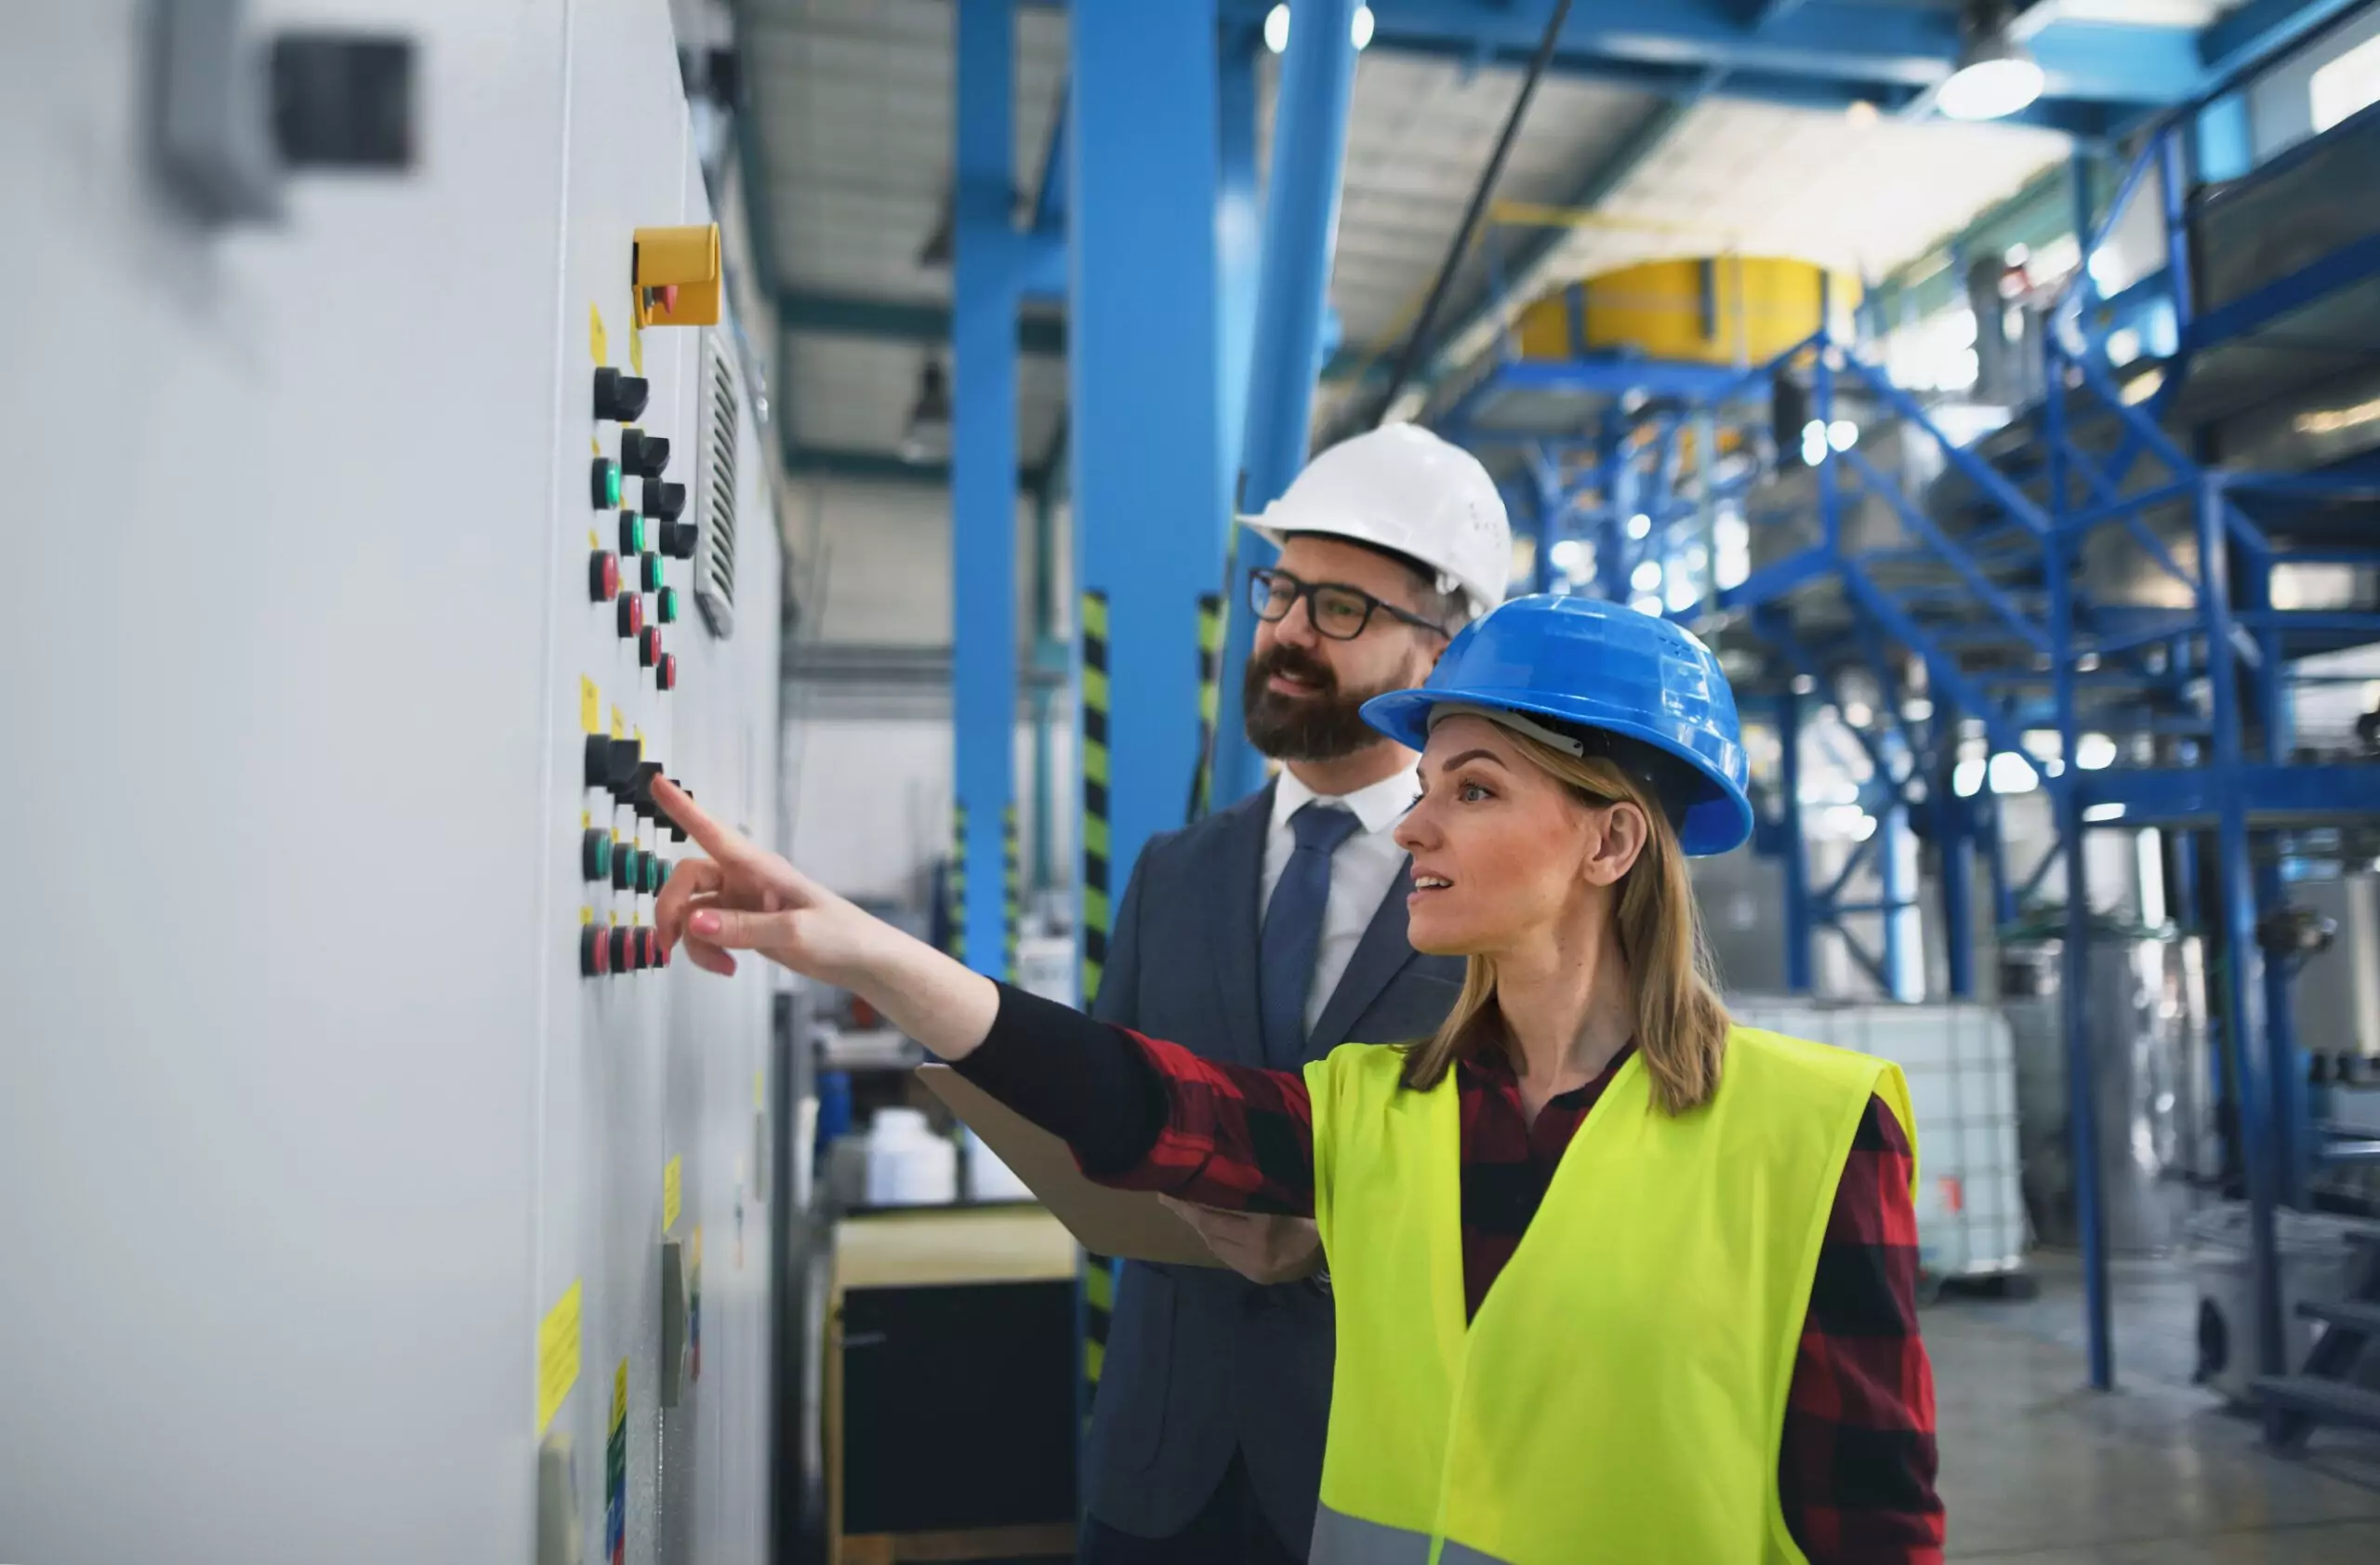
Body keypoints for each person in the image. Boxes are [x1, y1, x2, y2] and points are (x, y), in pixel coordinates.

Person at [646, 592, 1946, 1565]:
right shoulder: (1377, 1107)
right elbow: (1128, 1095)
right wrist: (856, 945)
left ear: (1610, 837)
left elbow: (1873, 1512)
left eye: (1473, 789)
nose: (1418, 823)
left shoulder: (1815, 1130)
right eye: (1427, 784)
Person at [1070, 422, 1512, 1561]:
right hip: (1163, 1465)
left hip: (1396, 1473)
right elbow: (1108, 1110)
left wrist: (1338, 1235)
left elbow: (1551, 1179)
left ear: (1443, 650)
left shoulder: (1500, 894)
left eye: (1341, 609)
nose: (1286, 633)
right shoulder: (1174, 874)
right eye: (1281, 592)